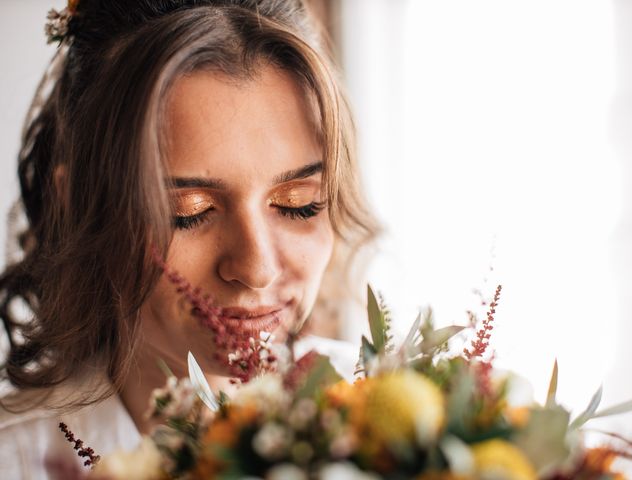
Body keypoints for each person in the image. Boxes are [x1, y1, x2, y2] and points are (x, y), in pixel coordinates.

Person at [0, 1, 379, 477]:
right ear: (75, 205)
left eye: (298, 203)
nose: (257, 266)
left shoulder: (404, 433)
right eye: (189, 213)